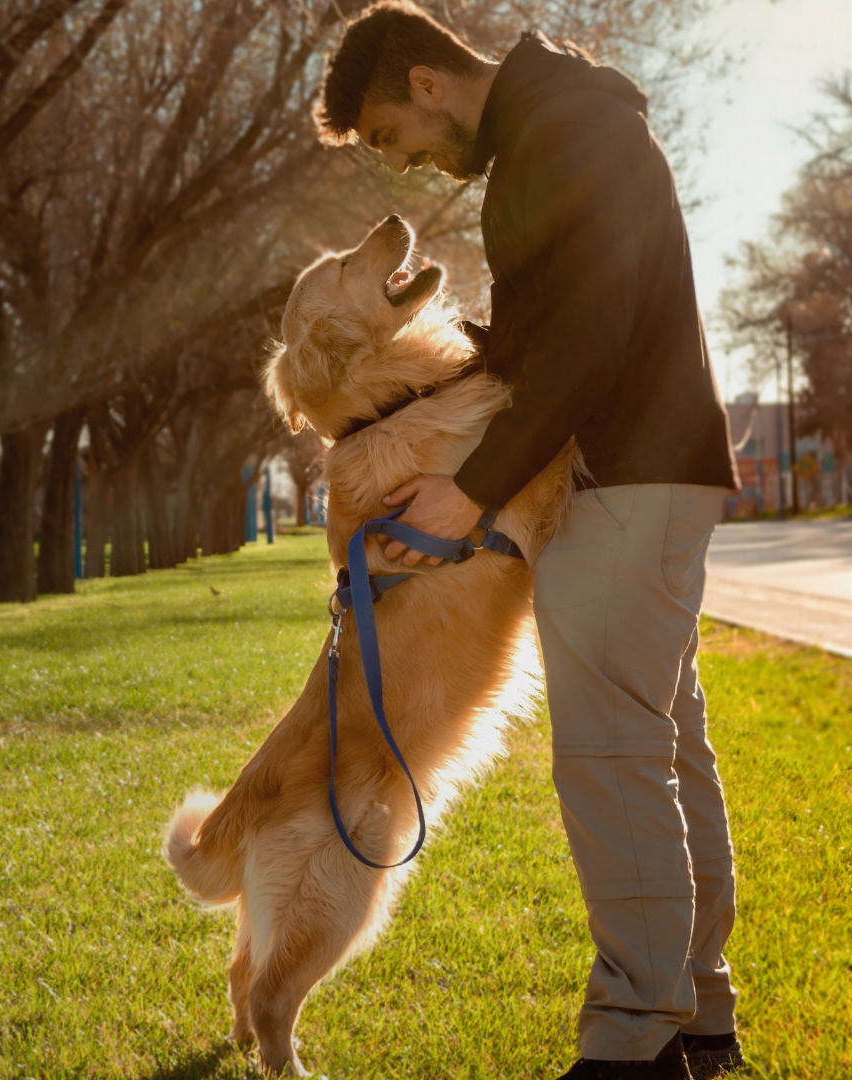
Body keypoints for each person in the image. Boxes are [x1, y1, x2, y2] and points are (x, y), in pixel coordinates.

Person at [314, 5, 743, 1079]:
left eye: (387, 137)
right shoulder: (555, 131)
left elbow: (593, 330)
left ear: (426, 83)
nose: (404, 164)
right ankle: (697, 1016)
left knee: (610, 758)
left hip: (624, 471)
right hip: (639, 467)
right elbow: (545, 336)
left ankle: (635, 1042)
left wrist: (472, 489)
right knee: (662, 746)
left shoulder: (563, 132)